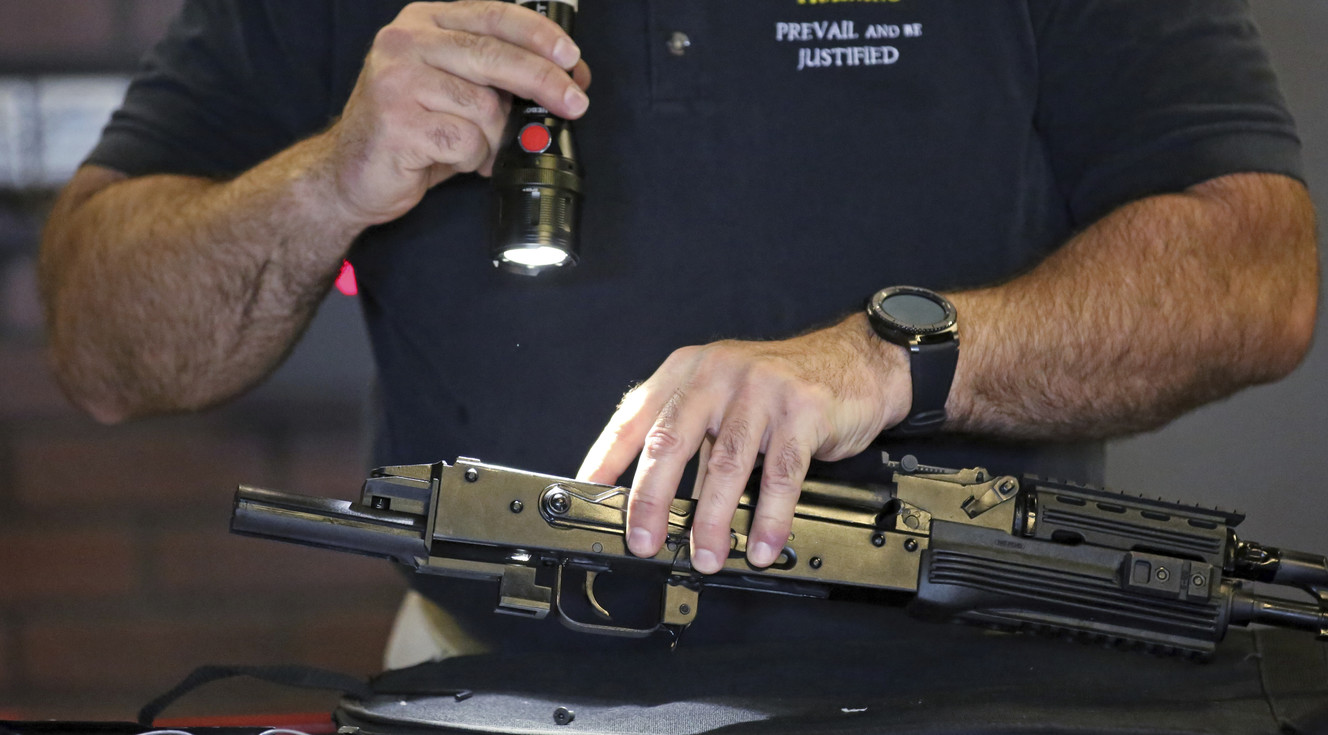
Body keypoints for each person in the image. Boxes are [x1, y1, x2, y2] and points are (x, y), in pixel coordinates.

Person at [39, 0, 1316, 663]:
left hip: (972, 686)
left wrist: (884, 362)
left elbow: (1256, 269)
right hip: (495, 682)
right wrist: (329, 177)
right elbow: (101, 347)